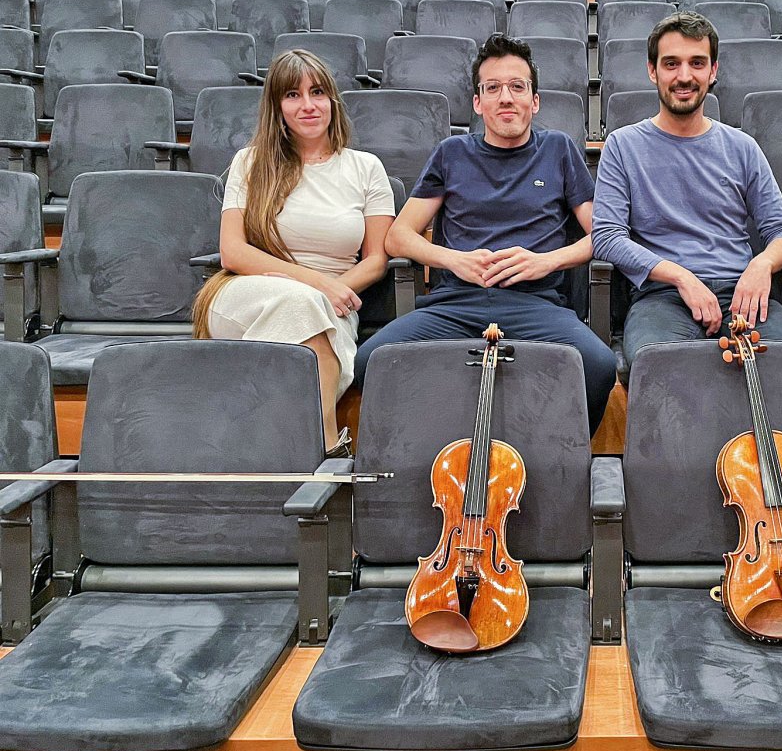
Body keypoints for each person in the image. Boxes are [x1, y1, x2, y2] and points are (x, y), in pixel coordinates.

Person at [354, 34, 616, 436]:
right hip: (456, 301)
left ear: (535, 100)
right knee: (370, 360)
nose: (505, 97)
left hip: (534, 302)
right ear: (478, 103)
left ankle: (557, 453)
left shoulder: (559, 150)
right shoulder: (452, 152)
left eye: (517, 87)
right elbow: (398, 238)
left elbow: (603, 234)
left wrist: (546, 261)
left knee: (598, 366)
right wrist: (454, 259)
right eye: (492, 88)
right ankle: (434, 450)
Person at [193, 49, 395, 456]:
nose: (308, 105)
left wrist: (331, 291)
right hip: (246, 293)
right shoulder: (250, 162)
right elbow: (232, 252)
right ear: (277, 107)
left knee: (308, 314)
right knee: (302, 305)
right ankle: (322, 447)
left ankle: (251, 451)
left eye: (317, 92)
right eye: (292, 95)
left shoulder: (366, 167)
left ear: (332, 101)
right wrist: (320, 285)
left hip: (335, 303)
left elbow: (376, 259)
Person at [591, 11, 782, 362]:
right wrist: (682, 278)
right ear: (652, 71)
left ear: (713, 71)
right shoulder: (623, 146)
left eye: (697, 63)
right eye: (671, 64)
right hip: (663, 297)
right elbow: (607, 237)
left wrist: (761, 265)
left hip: (741, 295)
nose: (684, 76)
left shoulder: (743, 146)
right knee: (661, 367)